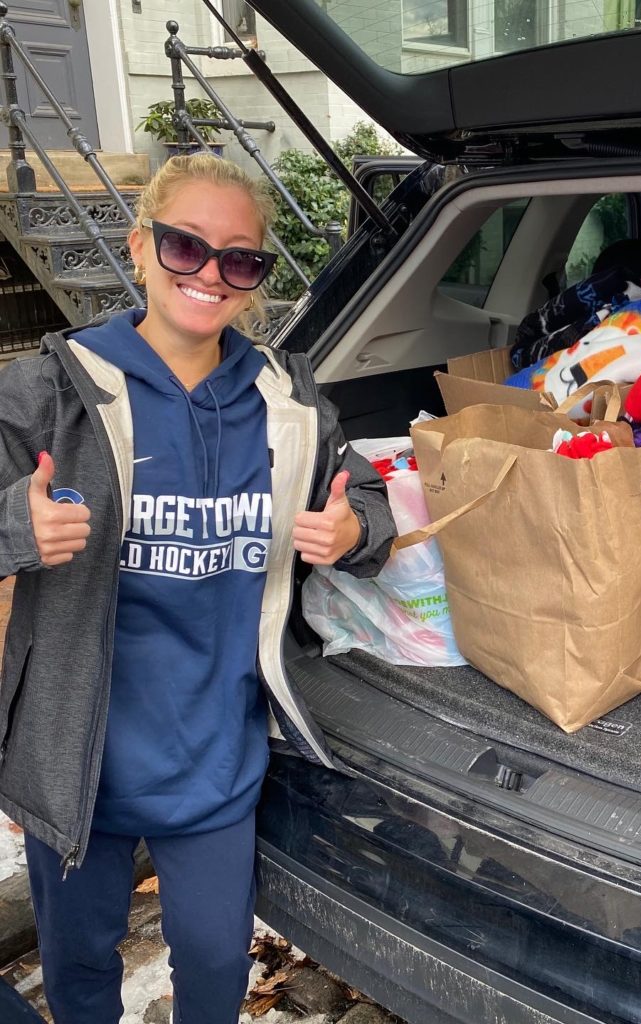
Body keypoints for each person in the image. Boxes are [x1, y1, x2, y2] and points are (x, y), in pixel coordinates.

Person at [0, 154, 397, 1023]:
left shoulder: (284, 400)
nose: (210, 274)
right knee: (79, 969)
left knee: (217, 966)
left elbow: (367, 497)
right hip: (80, 765)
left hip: (216, 763)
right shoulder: (51, 388)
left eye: (240, 259)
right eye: (186, 246)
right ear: (142, 248)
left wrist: (355, 529)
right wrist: (15, 531)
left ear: (254, 278)